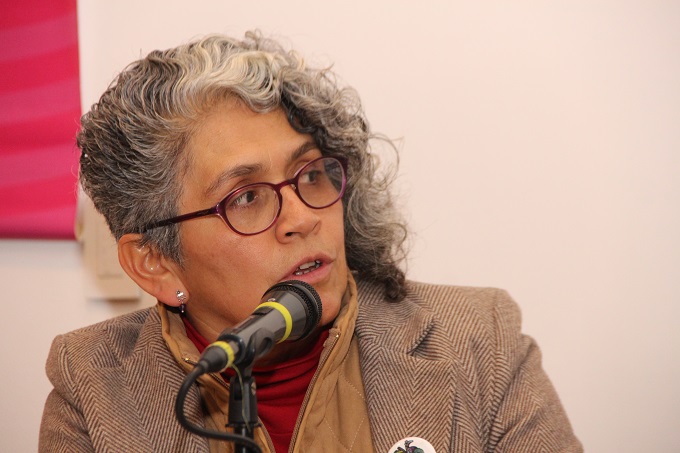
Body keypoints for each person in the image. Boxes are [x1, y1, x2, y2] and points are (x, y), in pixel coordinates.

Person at [39, 31, 582, 452]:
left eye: (311, 174)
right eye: (246, 197)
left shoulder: (478, 342)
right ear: (155, 263)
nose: (302, 218)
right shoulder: (92, 388)